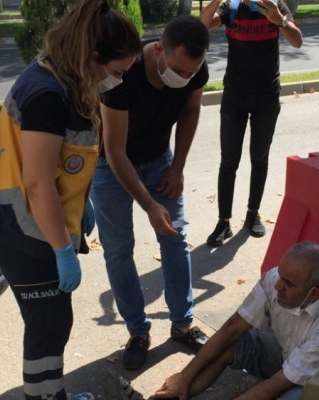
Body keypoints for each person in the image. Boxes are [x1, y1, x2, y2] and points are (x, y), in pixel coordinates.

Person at [0, 1, 141, 399]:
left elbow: (60, 164)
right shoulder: (48, 94)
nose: (119, 81)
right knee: (48, 325)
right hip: (20, 228)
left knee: (52, 322)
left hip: (28, 222)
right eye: (117, 72)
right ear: (93, 57)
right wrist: (63, 249)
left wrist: (81, 203)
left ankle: (49, 393)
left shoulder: (62, 77)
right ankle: (45, 396)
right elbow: (37, 184)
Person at [90, 15, 211, 371]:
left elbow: (191, 111)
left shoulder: (195, 70)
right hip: (111, 167)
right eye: (179, 70)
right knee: (118, 251)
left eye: (191, 72)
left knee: (176, 238)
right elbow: (114, 150)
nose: (184, 78)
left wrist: (178, 167)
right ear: (158, 50)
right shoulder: (123, 75)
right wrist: (149, 205)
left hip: (160, 161)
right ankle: (138, 332)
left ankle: (183, 324)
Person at [151, 241, 319, 400]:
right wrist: (184, 377)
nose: (278, 286)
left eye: (288, 284)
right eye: (280, 276)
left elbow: (282, 381)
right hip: (290, 357)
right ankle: (172, 396)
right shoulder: (278, 278)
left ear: (313, 293)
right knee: (231, 343)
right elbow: (233, 328)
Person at [200, 0, 304, 247]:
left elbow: (297, 41)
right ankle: (224, 222)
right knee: (229, 161)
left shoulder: (274, 6)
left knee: (259, 158)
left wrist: (279, 20)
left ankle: (252, 213)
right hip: (234, 95)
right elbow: (202, 26)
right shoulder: (232, 7)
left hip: (266, 96)